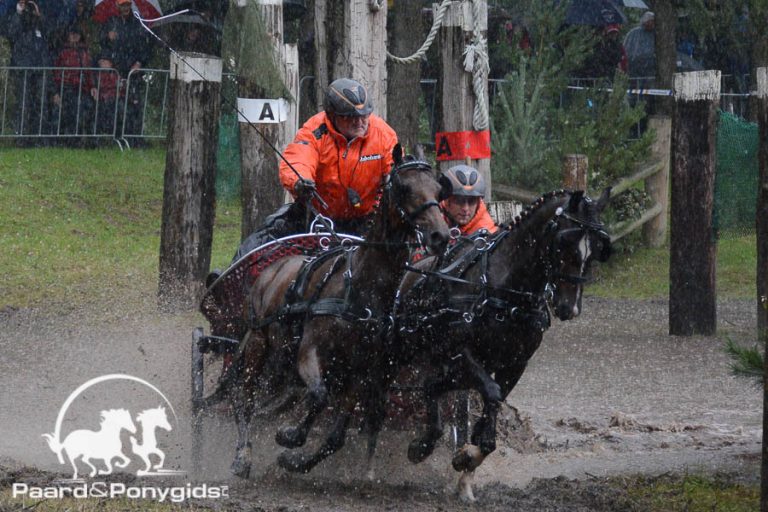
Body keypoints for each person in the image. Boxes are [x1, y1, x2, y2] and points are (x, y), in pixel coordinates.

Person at [229, 77, 399, 263]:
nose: (359, 122)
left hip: (366, 221)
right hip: (317, 219)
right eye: (349, 117)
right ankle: (232, 278)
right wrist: (300, 181)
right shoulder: (315, 130)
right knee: (262, 242)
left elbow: (395, 166)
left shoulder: (383, 134)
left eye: (364, 116)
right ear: (332, 115)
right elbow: (300, 157)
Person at [100, 0, 151, 145]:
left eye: (128, 5)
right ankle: (115, 137)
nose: (126, 8)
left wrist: (139, 63)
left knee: (134, 105)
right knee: (116, 105)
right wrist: (107, 38)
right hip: (115, 72)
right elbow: (102, 45)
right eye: (123, 5)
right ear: (117, 6)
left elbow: (145, 48)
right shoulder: (111, 22)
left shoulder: (138, 24)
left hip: (132, 73)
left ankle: (134, 138)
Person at [51, 25, 93, 143]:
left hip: (81, 88)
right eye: (72, 34)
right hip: (65, 88)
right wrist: (55, 91)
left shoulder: (84, 53)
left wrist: (92, 86)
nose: (74, 37)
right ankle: (63, 140)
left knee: (79, 113)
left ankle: (76, 139)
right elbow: (55, 73)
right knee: (66, 113)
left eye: (77, 35)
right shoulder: (62, 52)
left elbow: (89, 72)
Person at [439, 164, 497, 236]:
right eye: (459, 201)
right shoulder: (433, 219)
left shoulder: (487, 231)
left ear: (478, 204)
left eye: (471, 201)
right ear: (447, 202)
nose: (465, 208)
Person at [623, 11, 655, 78]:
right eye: (650, 21)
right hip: (634, 66)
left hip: (649, 68)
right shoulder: (634, 33)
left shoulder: (654, 34)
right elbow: (625, 48)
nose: (652, 23)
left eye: (653, 21)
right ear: (645, 21)